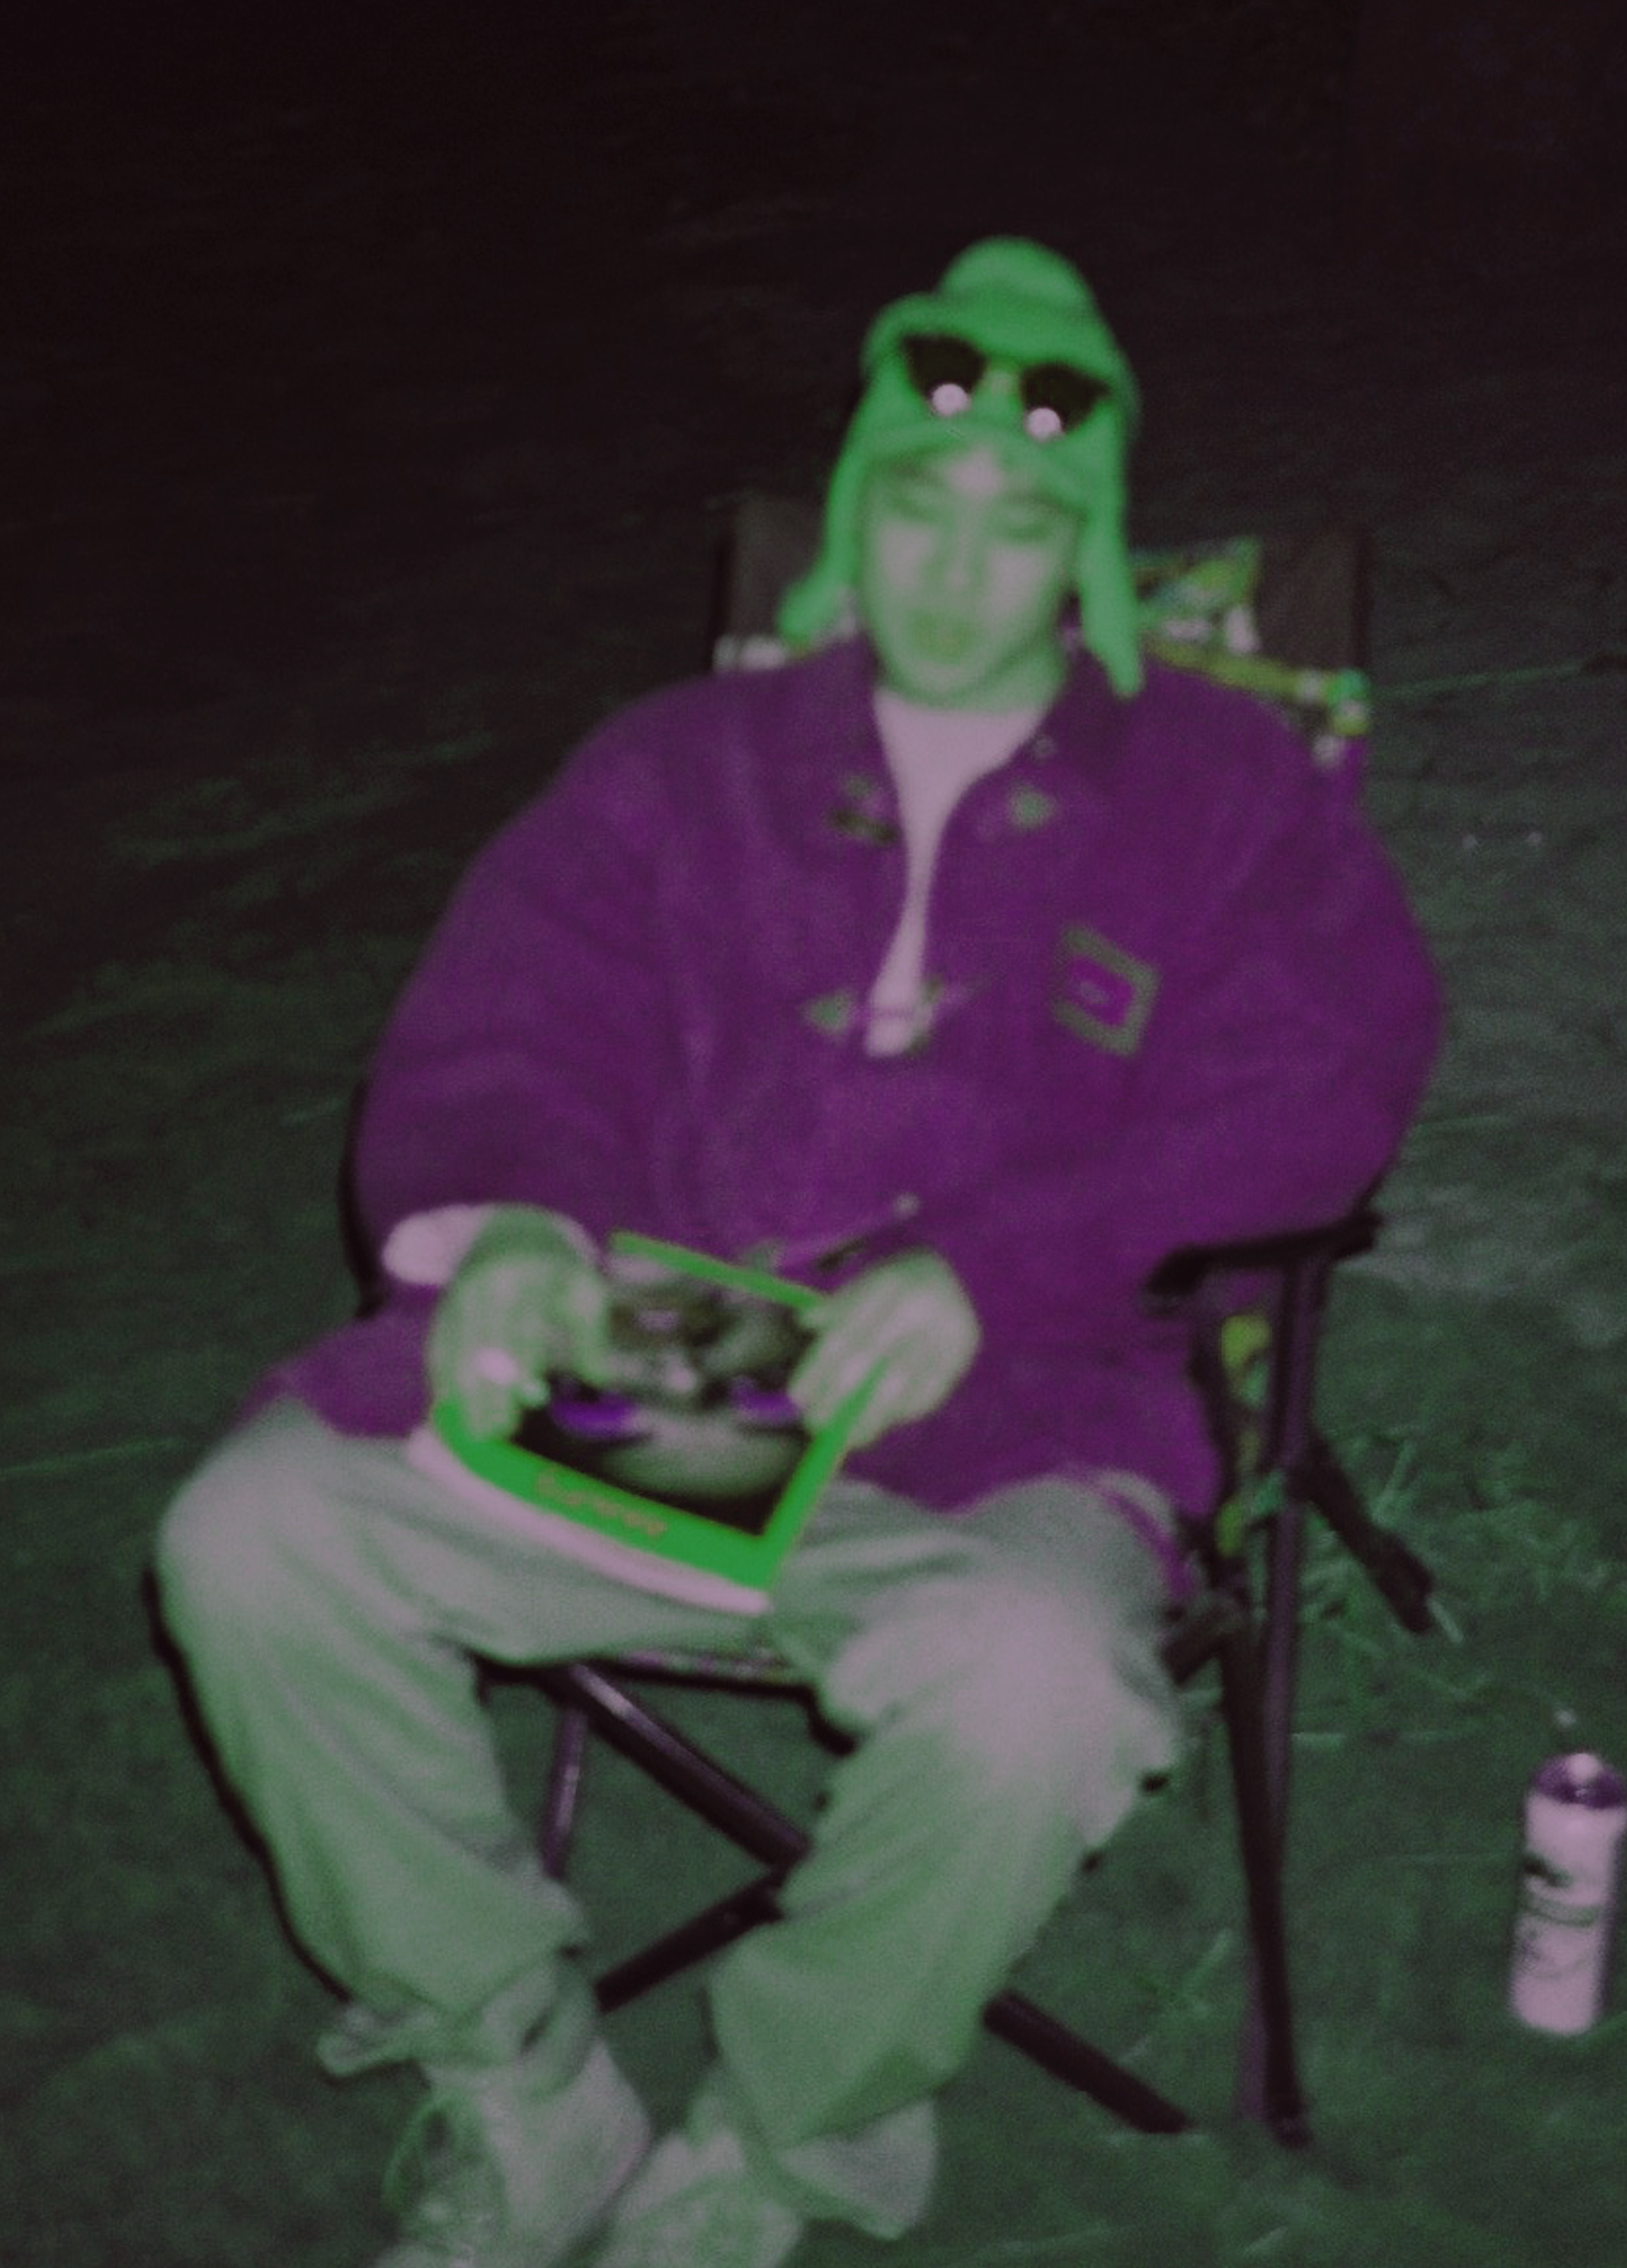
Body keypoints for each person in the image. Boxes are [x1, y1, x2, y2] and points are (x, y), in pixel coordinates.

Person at [155, 237, 1443, 2268]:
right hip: (671, 1375)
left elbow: (1328, 1082)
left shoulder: (1220, 792)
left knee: (1032, 1692)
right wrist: (519, 1224)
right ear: (855, 513)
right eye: (918, 509)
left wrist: (1010, 1257)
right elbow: (508, 1032)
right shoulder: (680, 768)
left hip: (1027, 1410)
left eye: (1019, 525)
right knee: (253, 1539)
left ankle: (783, 2139)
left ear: (1085, 551)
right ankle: (517, 2077)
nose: (958, 572)